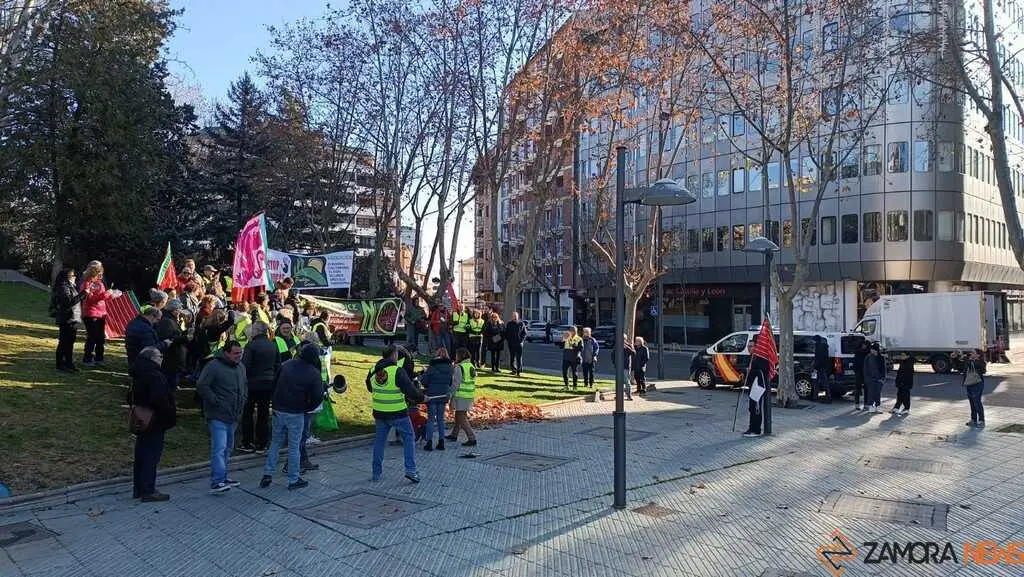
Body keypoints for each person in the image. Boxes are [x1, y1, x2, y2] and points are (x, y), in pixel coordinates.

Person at [259, 343, 325, 490]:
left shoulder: (287, 365)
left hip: (278, 409)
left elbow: (274, 384)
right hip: (295, 412)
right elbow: (317, 397)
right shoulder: (313, 373)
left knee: (275, 442)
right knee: (294, 446)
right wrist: (306, 408)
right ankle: (293, 479)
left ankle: (267, 474)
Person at [366, 346, 425, 482]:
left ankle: (376, 473)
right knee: (409, 438)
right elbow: (411, 390)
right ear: (393, 355)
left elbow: (369, 388)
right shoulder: (397, 371)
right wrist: (421, 398)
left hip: (380, 413)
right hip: (398, 413)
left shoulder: (373, 371)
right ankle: (411, 470)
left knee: (379, 442)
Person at [197, 340, 247, 493]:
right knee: (219, 447)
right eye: (235, 353)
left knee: (227, 448)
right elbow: (202, 385)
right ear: (226, 353)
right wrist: (215, 401)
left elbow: (244, 386)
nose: (239, 356)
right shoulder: (214, 366)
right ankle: (217, 480)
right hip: (218, 414)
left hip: (234, 414)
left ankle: (223, 476)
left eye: (240, 353)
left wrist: (244, 399)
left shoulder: (241, 367)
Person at [130, 347, 176, 502]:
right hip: (155, 421)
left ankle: (139, 488)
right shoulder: (155, 375)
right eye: (159, 356)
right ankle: (148, 489)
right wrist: (169, 413)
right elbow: (159, 399)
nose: (162, 358)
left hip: (142, 419)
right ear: (152, 358)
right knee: (151, 455)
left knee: (142, 454)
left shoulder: (138, 373)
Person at [240, 322, 279, 454]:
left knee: (248, 413)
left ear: (256, 331)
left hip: (252, 384)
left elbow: (245, 365)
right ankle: (263, 443)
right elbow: (277, 364)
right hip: (268, 383)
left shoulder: (251, 345)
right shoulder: (273, 345)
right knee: (263, 414)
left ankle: (248, 442)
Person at [50, 268, 89, 372]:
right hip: (66, 318)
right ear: (67, 277)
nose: (75, 277)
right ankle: (60, 364)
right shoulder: (63, 287)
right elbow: (68, 302)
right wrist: (83, 294)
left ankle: (69, 363)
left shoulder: (71, 286)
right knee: (64, 342)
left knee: (70, 342)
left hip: (73, 318)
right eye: (73, 276)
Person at [80, 261, 116, 367]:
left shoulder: (100, 283)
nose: (101, 274)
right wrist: (106, 294)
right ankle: (87, 359)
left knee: (100, 338)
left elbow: (103, 297)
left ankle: (99, 358)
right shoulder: (87, 284)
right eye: (99, 272)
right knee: (92, 337)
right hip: (91, 313)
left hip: (102, 313)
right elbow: (90, 300)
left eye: (101, 272)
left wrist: (112, 295)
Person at [419, 347, 453, 451]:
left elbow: (424, 381)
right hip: (443, 395)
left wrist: (423, 374)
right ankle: (441, 442)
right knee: (440, 419)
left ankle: (429, 442)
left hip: (432, 395)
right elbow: (450, 382)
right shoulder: (450, 367)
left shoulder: (432, 367)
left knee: (430, 419)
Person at [445, 348, 478, 447]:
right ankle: (454, 434)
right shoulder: (471, 366)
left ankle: (472, 438)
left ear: (460, 356)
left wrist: (450, 394)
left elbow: (456, 384)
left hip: (461, 396)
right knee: (459, 415)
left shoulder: (459, 367)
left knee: (461, 417)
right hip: (469, 395)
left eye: (457, 355)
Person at [155, 300, 190, 387]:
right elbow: (169, 338)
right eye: (179, 309)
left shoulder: (171, 319)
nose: (180, 312)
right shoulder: (167, 321)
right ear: (174, 310)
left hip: (173, 357)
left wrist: (186, 332)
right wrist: (186, 337)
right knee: (170, 382)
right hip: (171, 357)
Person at [741, 335, 769, 438]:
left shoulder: (760, 358)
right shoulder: (751, 358)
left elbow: (763, 370)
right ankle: (751, 427)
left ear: (756, 347)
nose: (749, 348)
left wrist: (751, 370)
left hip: (758, 387)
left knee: (756, 408)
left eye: (752, 346)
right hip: (751, 386)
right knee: (751, 408)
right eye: (748, 346)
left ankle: (756, 429)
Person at [961, 349, 987, 428]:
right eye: (970, 352)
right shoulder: (969, 361)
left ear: (978, 355)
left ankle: (982, 421)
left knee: (977, 402)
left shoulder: (981, 363)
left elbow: (976, 366)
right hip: (969, 383)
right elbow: (958, 366)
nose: (970, 353)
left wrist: (966, 359)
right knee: (972, 402)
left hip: (977, 384)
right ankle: (973, 420)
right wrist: (956, 357)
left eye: (972, 352)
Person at [863, 342, 886, 413]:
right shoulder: (868, 357)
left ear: (876, 350)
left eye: (872, 349)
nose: (871, 350)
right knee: (871, 393)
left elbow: (883, 369)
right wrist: (866, 378)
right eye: (871, 349)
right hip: (870, 379)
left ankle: (877, 406)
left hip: (879, 379)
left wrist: (882, 379)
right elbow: (865, 369)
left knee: (877, 393)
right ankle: (870, 406)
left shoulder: (881, 358)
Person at [612, 334, 635, 401]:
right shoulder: (616, 346)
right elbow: (613, 354)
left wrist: (627, 347)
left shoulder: (629, 345)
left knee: (627, 381)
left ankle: (629, 395)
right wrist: (614, 363)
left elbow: (633, 353)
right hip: (618, 366)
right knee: (618, 381)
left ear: (625, 339)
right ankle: (619, 395)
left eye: (623, 339)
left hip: (625, 366)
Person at [504, 311, 527, 375]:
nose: (514, 317)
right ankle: (513, 370)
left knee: (519, 358)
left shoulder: (521, 324)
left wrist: (521, 341)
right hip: (511, 344)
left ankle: (519, 371)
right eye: (513, 316)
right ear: (512, 317)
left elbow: (524, 333)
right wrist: (509, 340)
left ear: (518, 316)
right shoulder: (509, 324)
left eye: (515, 316)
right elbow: (506, 333)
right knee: (512, 357)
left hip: (519, 344)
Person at [813, 336, 832, 403]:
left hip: (819, 367)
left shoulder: (819, 347)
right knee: (823, 382)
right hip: (823, 367)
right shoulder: (824, 347)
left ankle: (816, 397)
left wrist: (815, 366)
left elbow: (818, 358)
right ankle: (827, 396)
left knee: (817, 382)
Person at [853, 340, 868, 411]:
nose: (864, 346)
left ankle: (866, 404)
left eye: (865, 345)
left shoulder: (868, 353)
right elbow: (855, 362)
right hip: (859, 372)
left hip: (866, 372)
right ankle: (857, 404)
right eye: (863, 344)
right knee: (857, 388)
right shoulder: (858, 352)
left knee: (866, 389)